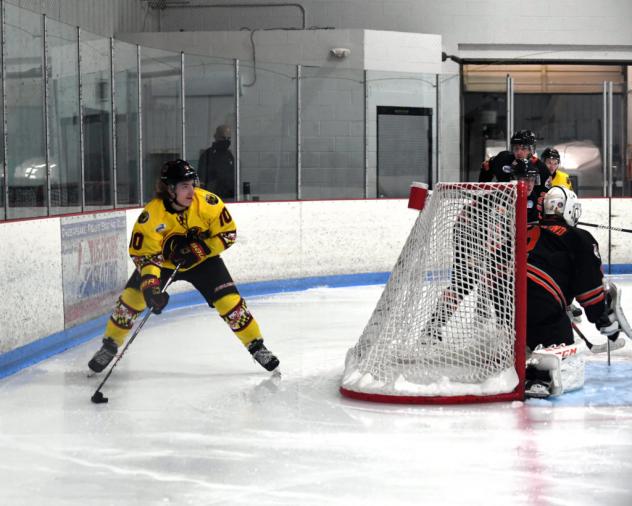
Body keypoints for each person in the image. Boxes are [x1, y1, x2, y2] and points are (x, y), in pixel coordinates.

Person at [88, 159, 279, 374]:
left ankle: (256, 346)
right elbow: (145, 256)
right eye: (184, 186)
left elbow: (228, 234)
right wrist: (151, 288)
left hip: (204, 261)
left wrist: (199, 250)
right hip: (163, 264)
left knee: (230, 302)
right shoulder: (151, 216)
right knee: (131, 300)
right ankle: (110, 345)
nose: (191, 191)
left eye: (192, 184)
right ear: (170, 189)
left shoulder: (208, 203)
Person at [524, 186, 620, 397]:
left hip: (507, 301)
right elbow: (588, 282)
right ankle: (538, 377)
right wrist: (601, 317)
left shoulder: (527, 229)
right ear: (567, 209)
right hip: (541, 303)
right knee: (560, 344)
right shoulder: (579, 237)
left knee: (525, 335)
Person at [479, 129, 549, 187]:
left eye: (523, 148)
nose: (519, 152)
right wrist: (482, 196)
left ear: (531, 150)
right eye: (516, 148)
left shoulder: (540, 167)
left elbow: (546, 190)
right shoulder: (502, 159)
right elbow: (486, 168)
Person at [198, 124, 235, 200]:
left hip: (229, 197)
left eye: (228, 138)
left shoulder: (229, 155)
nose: (226, 140)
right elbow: (201, 180)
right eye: (223, 137)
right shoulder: (207, 155)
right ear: (216, 137)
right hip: (212, 198)